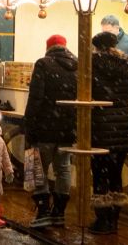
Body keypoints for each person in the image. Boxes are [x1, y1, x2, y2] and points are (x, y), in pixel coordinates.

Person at [23, 34, 77, 228]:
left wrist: (29, 123)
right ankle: (59, 212)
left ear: (48, 47)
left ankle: (43, 211)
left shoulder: (43, 64)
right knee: (63, 169)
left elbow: (35, 98)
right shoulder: (77, 65)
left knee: (37, 169)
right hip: (67, 129)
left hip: (44, 127)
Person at [88, 31, 128, 234]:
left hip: (100, 126)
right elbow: (127, 95)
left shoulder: (92, 66)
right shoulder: (126, 67)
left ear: (96, 47)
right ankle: (114, 220)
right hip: (122, 126)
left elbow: (86, 92)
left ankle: (102, 220)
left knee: (100, 175)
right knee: (116, 175)